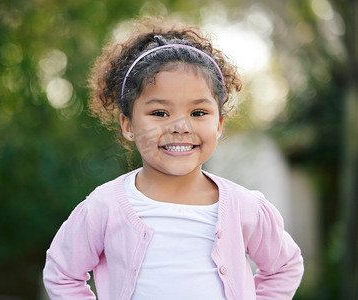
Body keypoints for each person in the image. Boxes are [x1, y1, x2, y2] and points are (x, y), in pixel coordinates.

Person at [43, 17, 304, 300]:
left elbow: (284, 267)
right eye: (159, 113)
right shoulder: (104, 207)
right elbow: (62, 274)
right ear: (128, 125)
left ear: (219, 124)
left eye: (198, 113)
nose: (181, 126)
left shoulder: (245, 207)